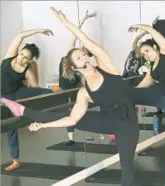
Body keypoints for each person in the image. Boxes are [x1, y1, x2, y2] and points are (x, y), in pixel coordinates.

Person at [1, 7, 139, 186]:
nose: (85, 58)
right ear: (75, 68)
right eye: (79, 58)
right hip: (107, 120)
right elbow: (72, 120)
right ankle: (23, 110)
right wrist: (43, 125)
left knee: (126, 170)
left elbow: (85, 40)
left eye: (84, 55)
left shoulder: (107, 67)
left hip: (128, 124)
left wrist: (65, 23)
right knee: (65, 114)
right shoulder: (84, 92)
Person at [128, 18, 165, 183]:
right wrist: (132, 96)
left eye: (147, 50)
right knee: (129, 93)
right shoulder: (152, 67)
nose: (146, 55)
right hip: (162, 95)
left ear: (155, 47)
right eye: (144, 53)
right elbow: (145, 84)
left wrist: (137, 26)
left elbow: (153, 31)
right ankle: (125, 115)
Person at [1, 28, 54, 171]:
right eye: (22, 54)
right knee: (9, 128)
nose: (21, 58)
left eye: (25, 58)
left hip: (15, 95)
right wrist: (40, 31)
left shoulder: (27, 70)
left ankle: (15, 160)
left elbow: (36, 88)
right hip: (3, 96)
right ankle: (16, 161)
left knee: (11, 128)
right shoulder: (10, 56)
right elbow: (20, 34)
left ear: (30, 60)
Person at [58, 10, 97, 146]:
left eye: (84, 53)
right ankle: (71, 138)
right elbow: (75, 33)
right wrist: (85, 18)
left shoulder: (83, 65)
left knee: (76, 110)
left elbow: (86, 78)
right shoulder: (69, 55)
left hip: (73, 88)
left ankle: (72, 137)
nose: (82, 54)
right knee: (69, 111)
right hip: (65, 88)